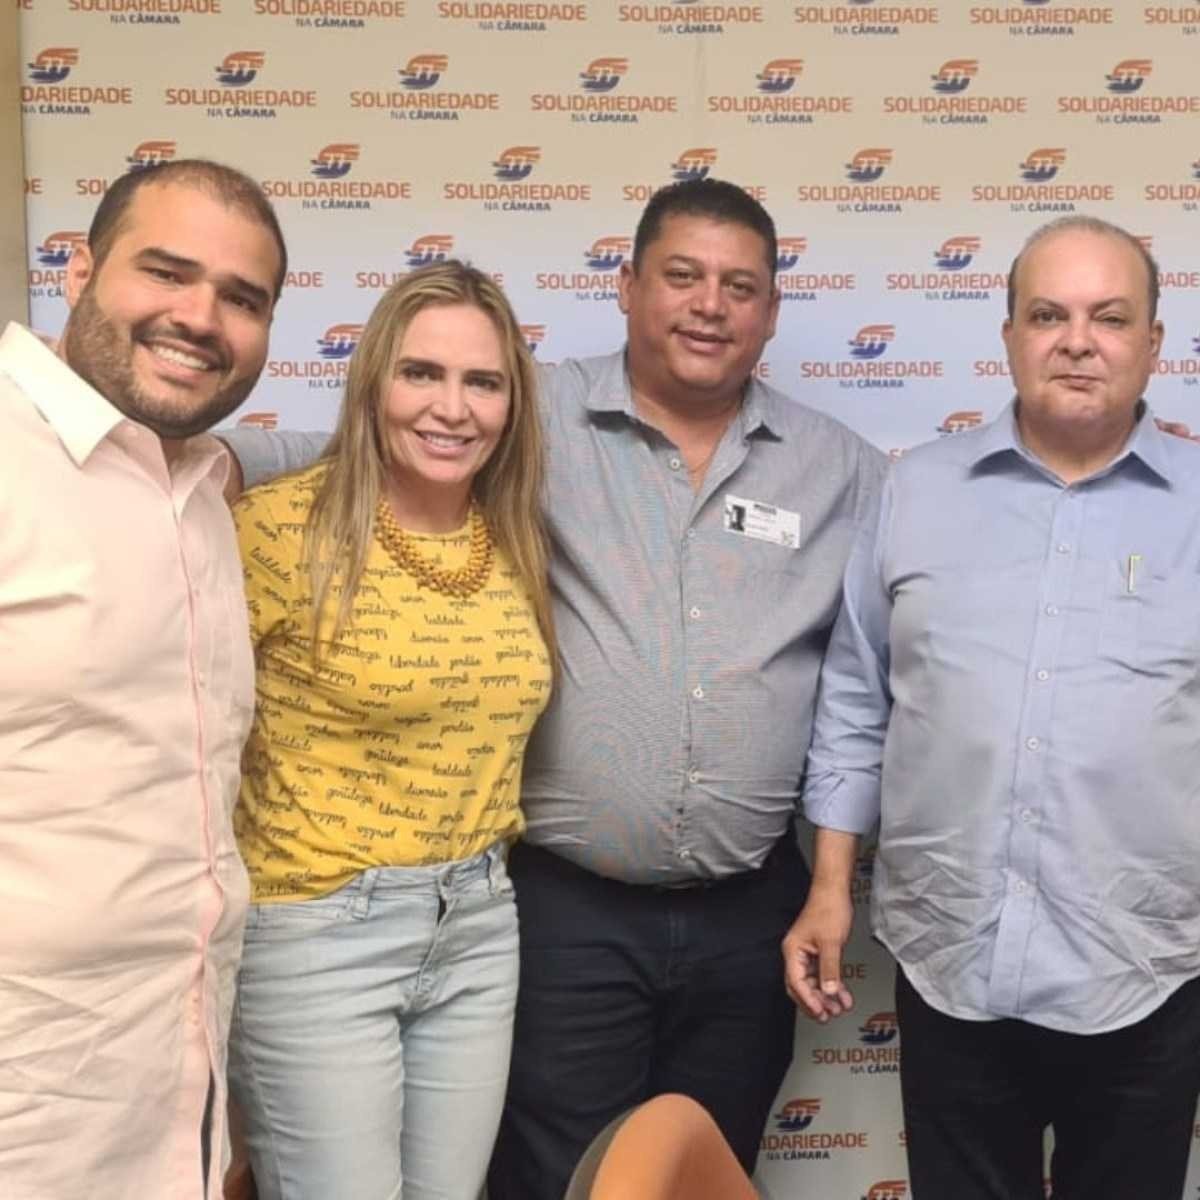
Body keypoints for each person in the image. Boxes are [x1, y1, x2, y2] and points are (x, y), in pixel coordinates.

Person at [222, 178, 883, 1196]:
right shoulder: (529, 411)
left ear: (771, 310)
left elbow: (859, 684)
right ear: (627, 285)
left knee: (702, 1174)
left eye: (740, 286)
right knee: (550, 1177)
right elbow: (354, 454)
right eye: (682, 275)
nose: (710, 305)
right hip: (565, 911)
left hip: (749, 913)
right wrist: (195, 455)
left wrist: (833, 880)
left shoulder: (841, 469)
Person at [785, 215, 1200, 1199]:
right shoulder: (916, 490)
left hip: (1145, 970)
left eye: (1110, 318)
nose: (1077, 341)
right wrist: (831, 885)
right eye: (1048, 315)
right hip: (951, 963)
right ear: (1009, 335)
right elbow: (857, 699)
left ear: (1153, 342)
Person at [226, 260, 553, 1200]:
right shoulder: (276, 532)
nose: (452, 408)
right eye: (421, 373)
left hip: (478, 922)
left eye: (483, 382)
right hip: (316, 931)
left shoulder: (515, 538)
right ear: (373, 381)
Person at [0, 159, 286, 1199]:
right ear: (79, 271)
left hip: (169, 1081)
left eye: (241, 299)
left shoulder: (198, 483)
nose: (199, 318)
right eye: (166, 272)